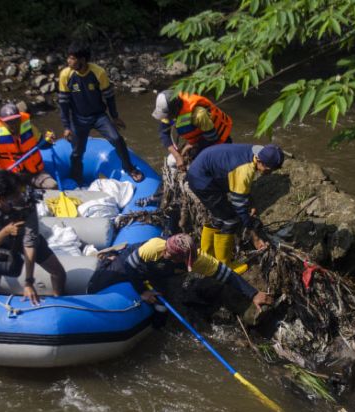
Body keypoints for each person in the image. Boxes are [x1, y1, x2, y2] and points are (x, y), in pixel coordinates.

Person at [86, 234, 273, 310]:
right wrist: (142, 291)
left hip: (159, 272)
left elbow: (227, 275)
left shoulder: (198, 259)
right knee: (99, 283)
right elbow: (130, 267)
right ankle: (107, 259)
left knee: (160, 307)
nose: (186, 264)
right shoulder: (153, 248)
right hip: (134, 262)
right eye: (181, 260)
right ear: (168, 253)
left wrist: (253, 293)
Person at [187, 143, 284, 272]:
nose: (269, 173)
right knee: (231, 219)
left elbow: (242, 186)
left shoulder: (256, 151)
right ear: (259, 161)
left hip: (204, 170)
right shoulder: (245, 170)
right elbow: (240, 208)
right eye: (268, 169)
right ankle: (225, 265)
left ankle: (207, 254)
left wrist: (251, 202)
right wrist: (255, 237)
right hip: (202, 180)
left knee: (218, 215)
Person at [58, 41, 143, 185]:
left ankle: (129, 168)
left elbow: (109, 96)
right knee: (77, 152)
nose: (68, 61)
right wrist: (66, 126)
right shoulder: (66, 74)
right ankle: (76, 178)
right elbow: (63, 102)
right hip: (79, 119)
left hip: (99, 116)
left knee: (117, 139)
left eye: (72, 58)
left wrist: (115, 116)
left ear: (82, 60)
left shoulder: (98, 73)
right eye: (69, 58)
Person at [0, 170, 66, 305]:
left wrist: (28, 282)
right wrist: (6, 231)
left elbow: (30, 242)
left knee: (59, 272)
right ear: (1, 198)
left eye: (20, 192)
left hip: (22, 237)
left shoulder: (27, 203)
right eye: (15, 194)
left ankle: (59, 302)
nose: (20, 196)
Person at [151, 90, 233, 171]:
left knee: (201, 166)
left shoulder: (198, 114)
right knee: (171, 161)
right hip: (199, 139)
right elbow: (163, 133)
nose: (165, 118)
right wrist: (177, 156)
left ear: (175, 110)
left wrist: (191, 146)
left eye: (167, 116)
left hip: (218, 140)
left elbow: (212, 137)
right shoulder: (169, 113)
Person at [0, 103, 57, 190]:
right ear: (3, 122)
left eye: (15, 120)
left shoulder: (30, 129)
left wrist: (49, 140)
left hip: (33, 173)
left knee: (53, 185)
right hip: (10, 176)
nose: (12, 124)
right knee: (15, 196)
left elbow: (43, 145)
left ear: (20, 118)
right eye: (8, 122)